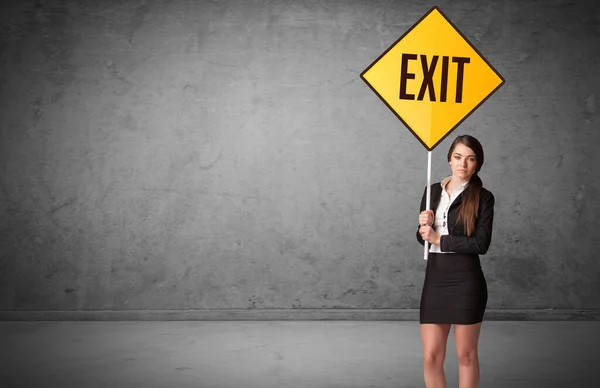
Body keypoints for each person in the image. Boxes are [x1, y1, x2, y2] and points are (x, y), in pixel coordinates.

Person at [416, 134, 495, 388]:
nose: (463, 164)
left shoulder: (483, 197)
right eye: (458, 157)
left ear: (477, 164)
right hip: (436, 278)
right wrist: (423, 229)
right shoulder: (431, 193)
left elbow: (480, 244)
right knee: (431, 357)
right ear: (449, 159)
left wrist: (439, 239)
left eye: (471, 159)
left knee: (465, 355)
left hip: (466, 280)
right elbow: (424, 240)